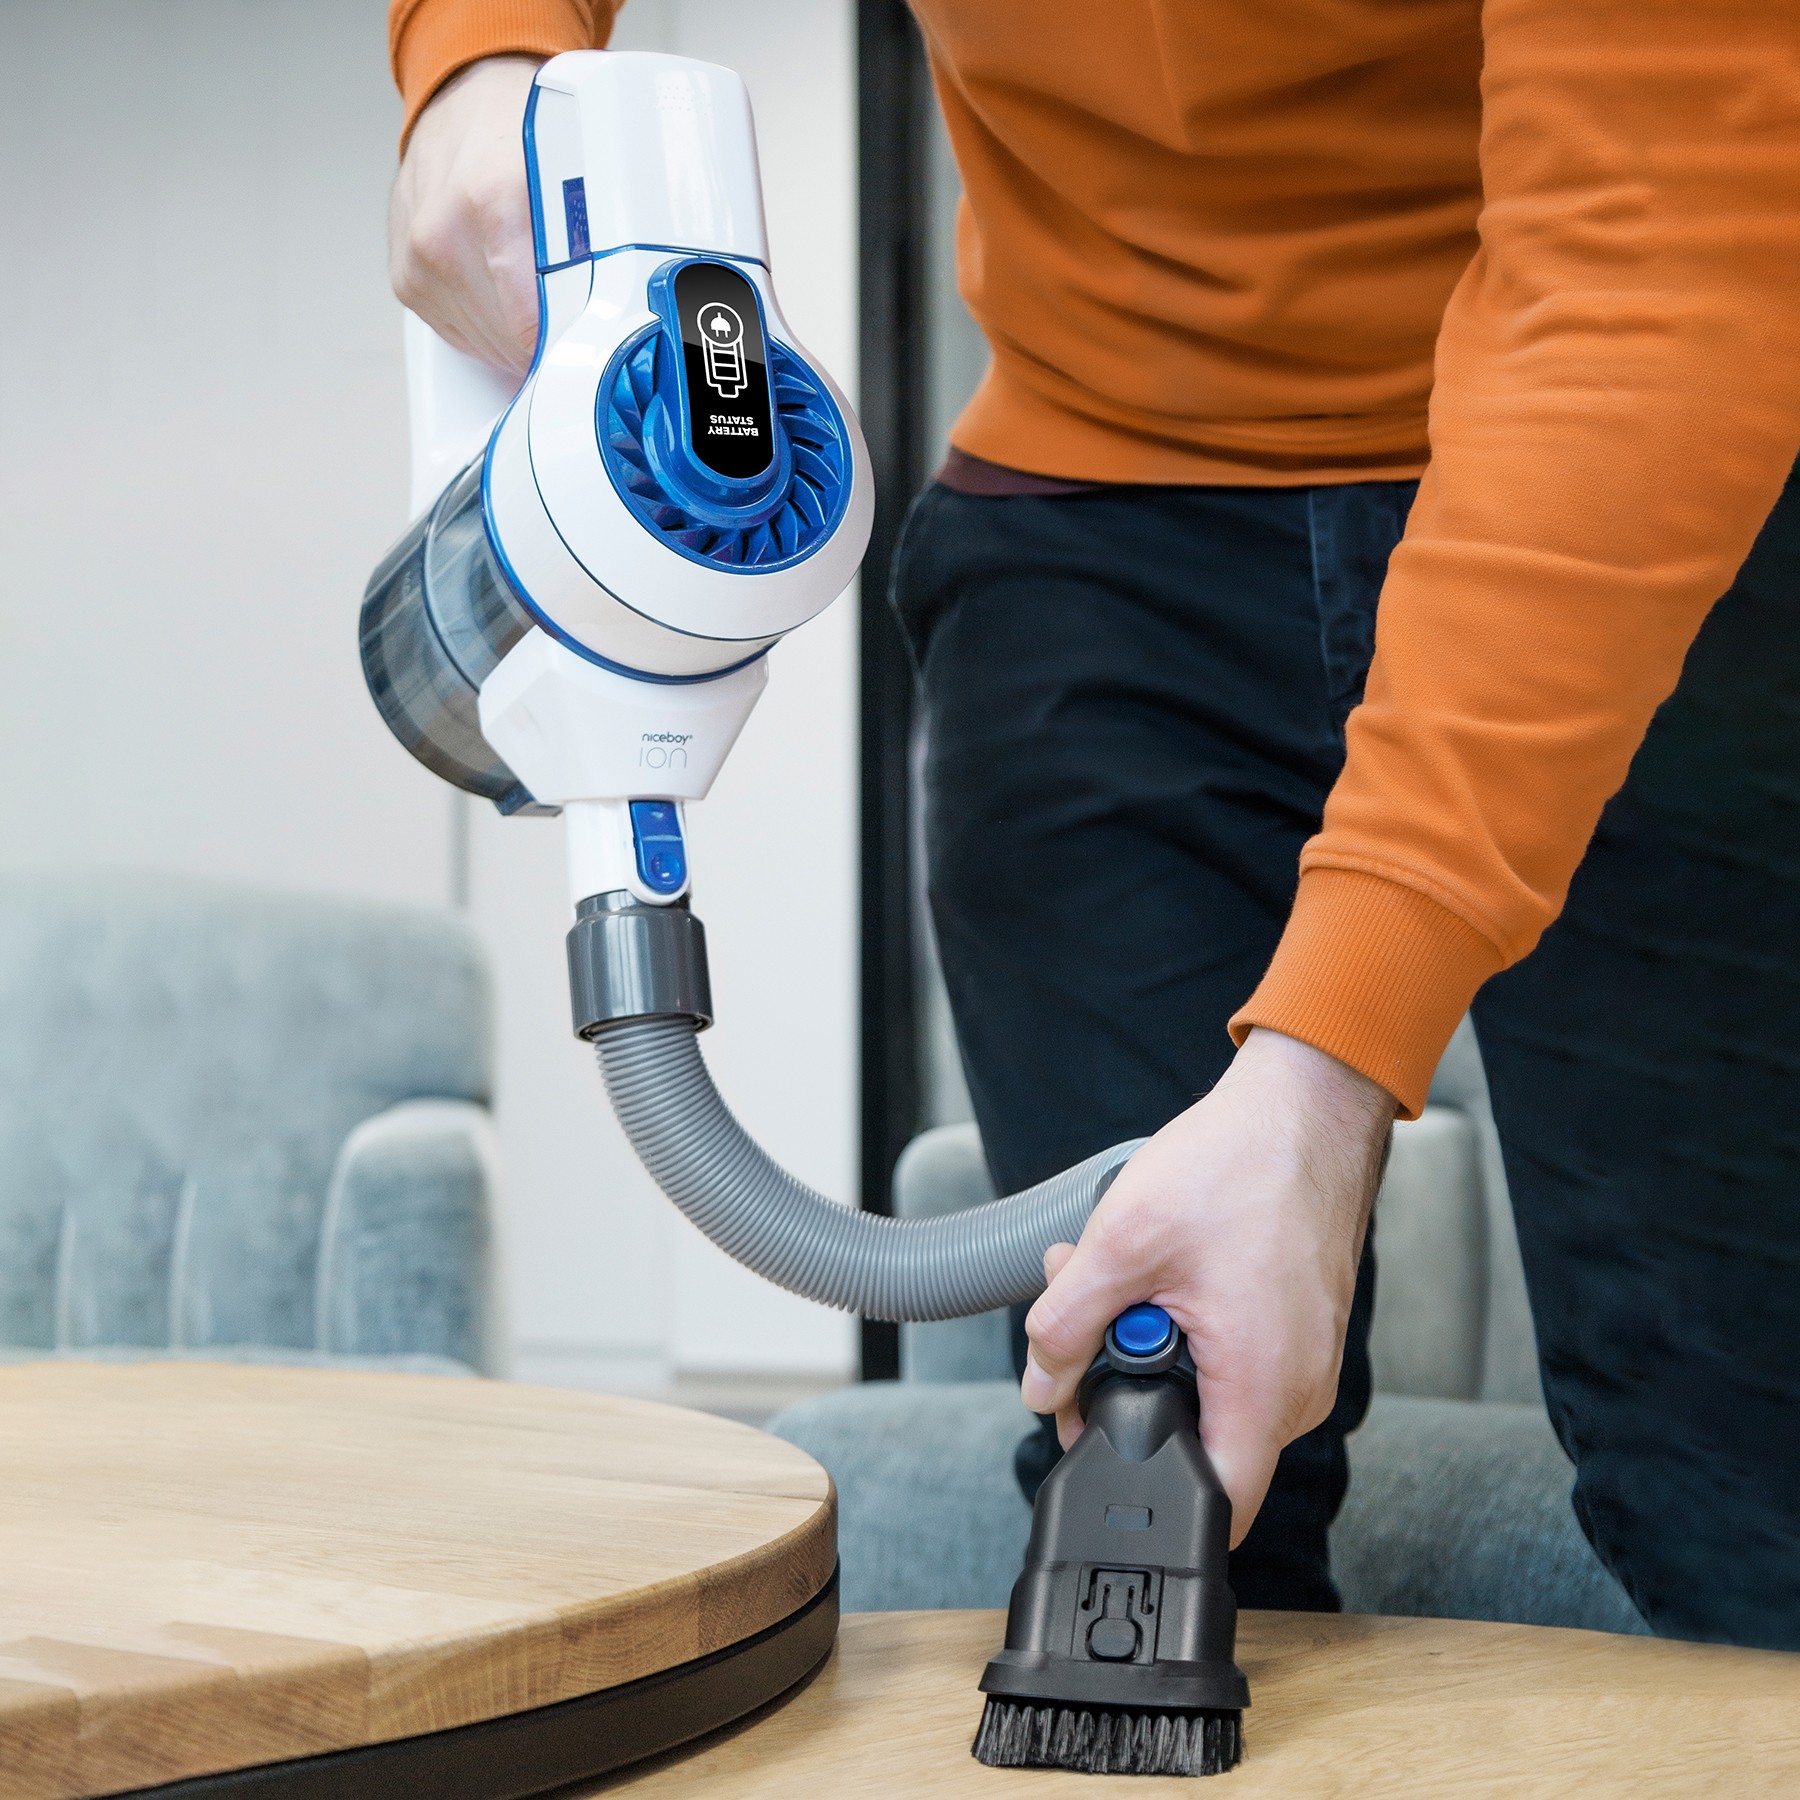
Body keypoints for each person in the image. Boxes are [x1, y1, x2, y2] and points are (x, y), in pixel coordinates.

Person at [384, 1, 1800, 1643]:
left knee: (1745, 1489)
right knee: (1155, 1466)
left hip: (1628, 469)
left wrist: (1323, 1075)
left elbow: (1647, 264)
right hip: (1095, 514)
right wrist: (481, 57)